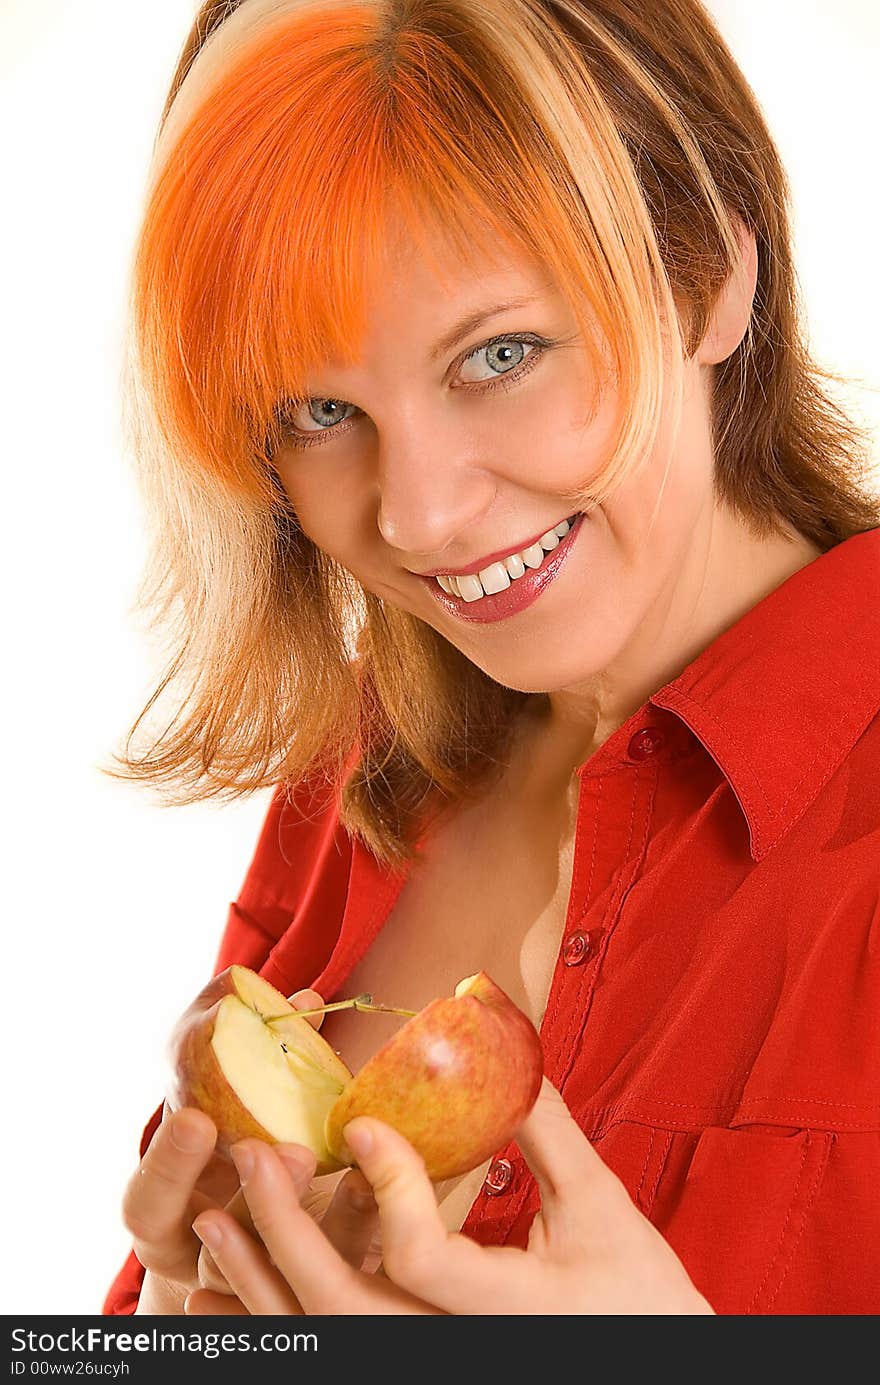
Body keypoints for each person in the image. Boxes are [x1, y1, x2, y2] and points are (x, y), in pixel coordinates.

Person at [103, 0, 880, 1316]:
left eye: (500, 355)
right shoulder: (351, 779)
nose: (415, 514)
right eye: (319, 406)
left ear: (710, 275)